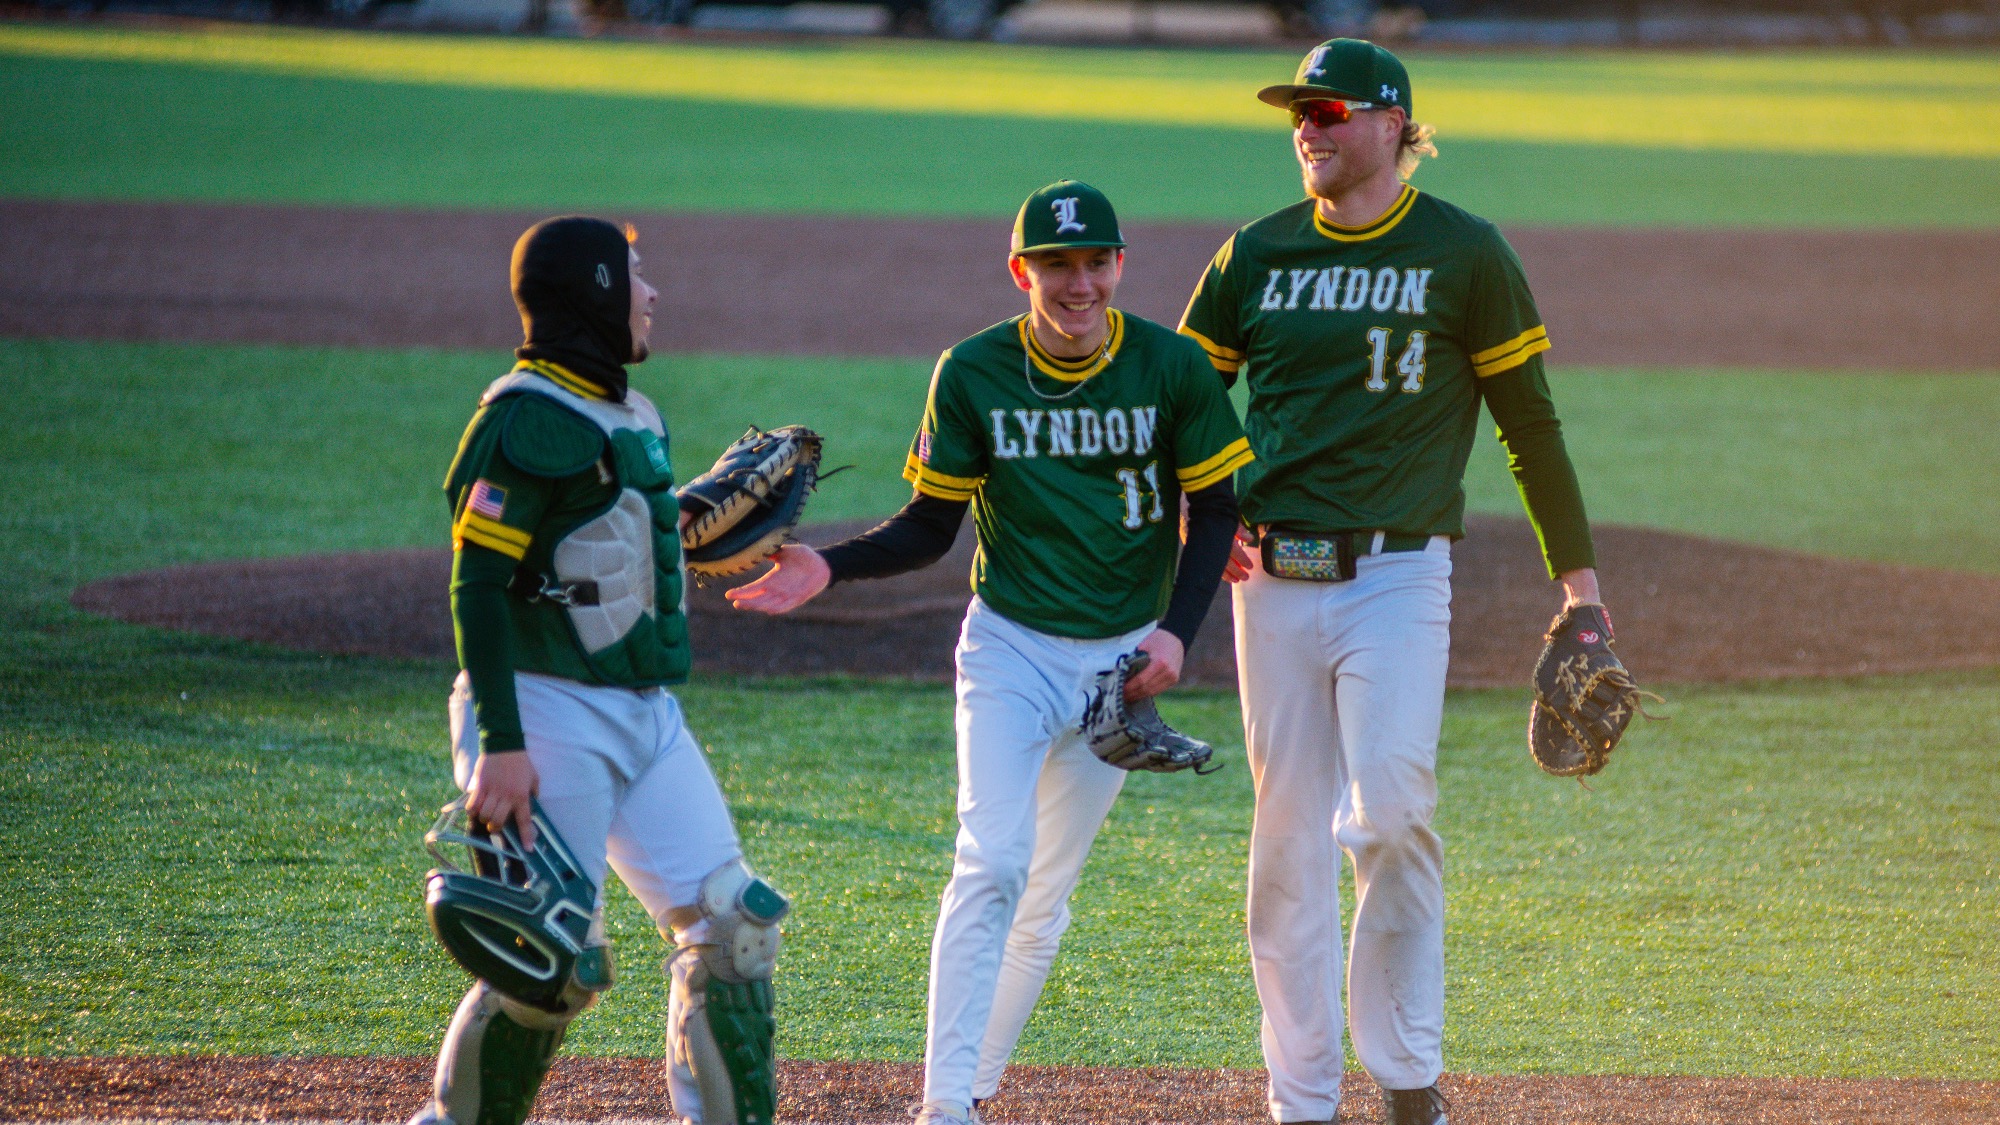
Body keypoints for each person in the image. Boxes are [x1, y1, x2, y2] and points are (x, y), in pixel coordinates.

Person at [727, 181, 1254, 1125]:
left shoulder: (1172, 367)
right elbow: (931, 527)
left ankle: (974, 1085)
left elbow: (1215, 505)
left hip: (1120, 664)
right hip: (1009, 649)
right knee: (993, 860)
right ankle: (944, 1106)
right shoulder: (971, 371)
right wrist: (830, 567)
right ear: (1022, 271)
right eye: (1056, 264)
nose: (1079, 282)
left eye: (1096, 261)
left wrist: (1177, 629)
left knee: (1045, 895)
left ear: (1120, 265)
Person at [1177, 40, 1605, 1125]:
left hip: (1398, 579)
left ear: (1390, 123)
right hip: (1267, 583)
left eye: (1326, 110)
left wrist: (1582, 591)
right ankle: (1300, 1098)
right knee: (1284, 846)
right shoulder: (1253, 255)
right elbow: (1178, 402)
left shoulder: (1464, 253)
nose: (1306, 129)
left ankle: (1406, 1076)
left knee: (1392, 816)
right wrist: (1194, 519)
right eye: (1295, 114)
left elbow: (1529, 428)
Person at [411, 216, 789, 1125]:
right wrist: (500, 743)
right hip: (545, 715)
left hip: (647, 716)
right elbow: (479, 583)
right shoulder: (523, 419)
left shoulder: (627, 411)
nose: (652, 294)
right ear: (594, 293)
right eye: (635, 276)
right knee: (548, 963)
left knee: (735, 929)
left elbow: (601, 542)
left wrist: (674, 522)